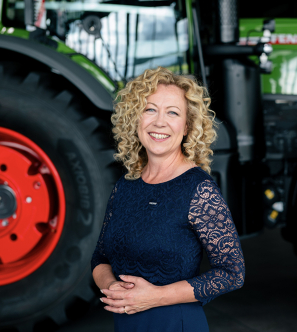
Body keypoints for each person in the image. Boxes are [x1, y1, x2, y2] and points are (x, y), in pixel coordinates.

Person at [90, 67, 245, 332]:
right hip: (126, 324)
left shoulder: (199, 190)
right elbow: (100, 258)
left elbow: (232, 273)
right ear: (135, 118)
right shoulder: (125, 187)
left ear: (186, 127)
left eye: (172, 112)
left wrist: (155, 297)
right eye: (150, 109)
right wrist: (113, 288)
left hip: (176, 324)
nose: (159, 122)